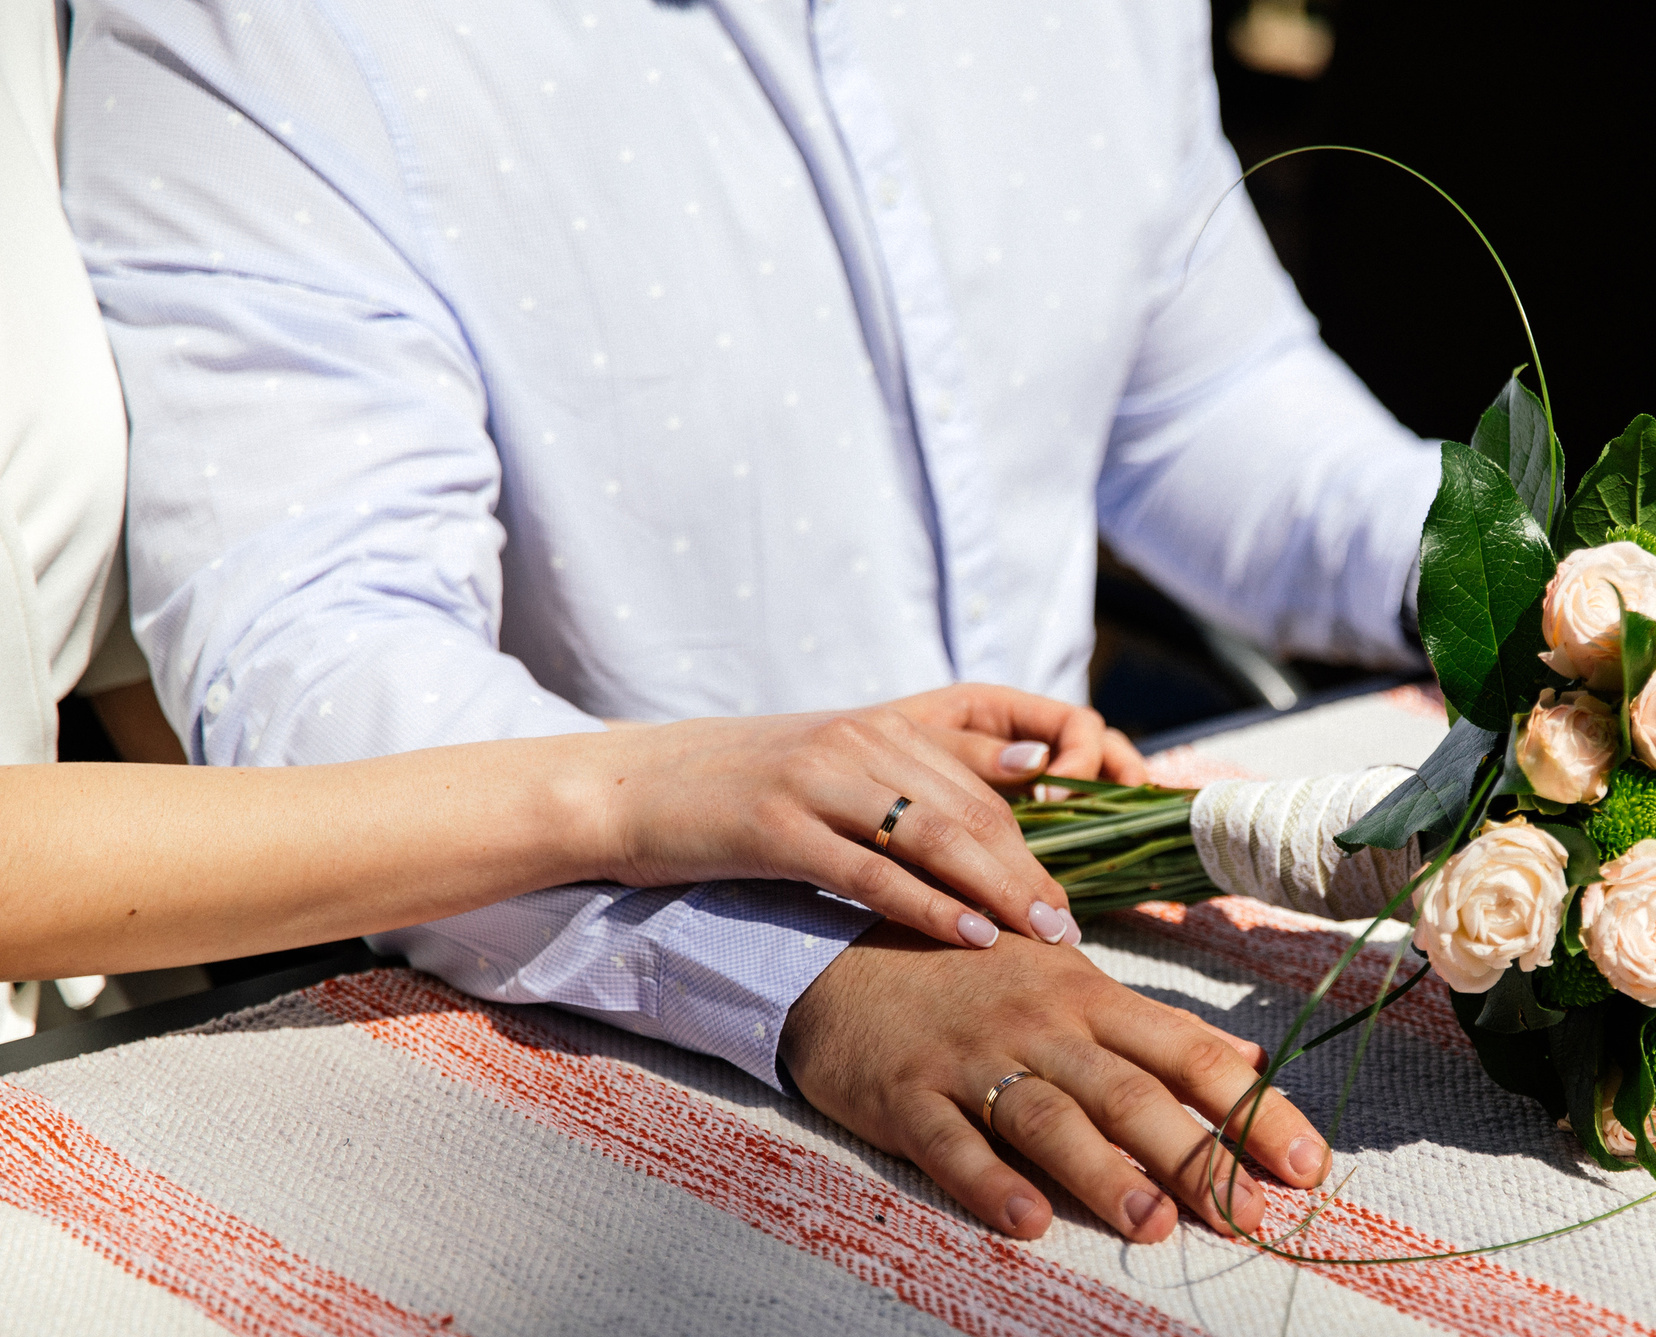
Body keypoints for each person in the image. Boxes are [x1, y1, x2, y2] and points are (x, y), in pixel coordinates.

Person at [65, 1, 1397, 1243]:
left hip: (1096, 915)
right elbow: (319, 667)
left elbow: (1213, 399)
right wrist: (810, 963)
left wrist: (1552, 590)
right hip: (629, 1087)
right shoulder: (272, 31)